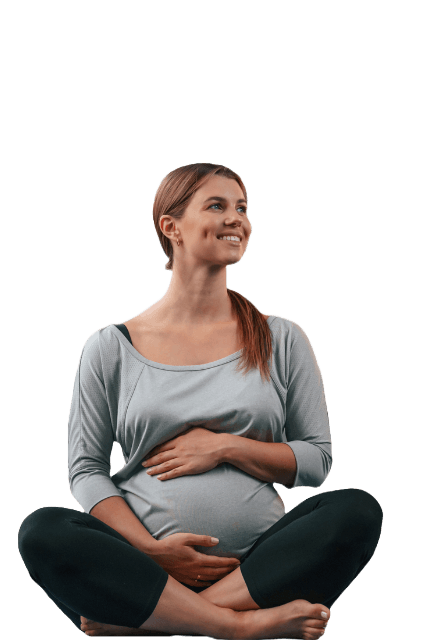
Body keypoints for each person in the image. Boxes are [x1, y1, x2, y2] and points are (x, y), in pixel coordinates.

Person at [17, 162, 383, 639]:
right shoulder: (111, 346)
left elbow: (316, 460)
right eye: (217, 205)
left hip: (259, 569)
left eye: (243, 208)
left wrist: (224, 447)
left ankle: (154, 621)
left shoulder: (282, 337)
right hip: (143, 567)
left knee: (357, 511)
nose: (237, 219)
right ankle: (237, 626)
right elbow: (86, 470)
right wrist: (150, 550)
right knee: (42, 531)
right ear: (171, 226)